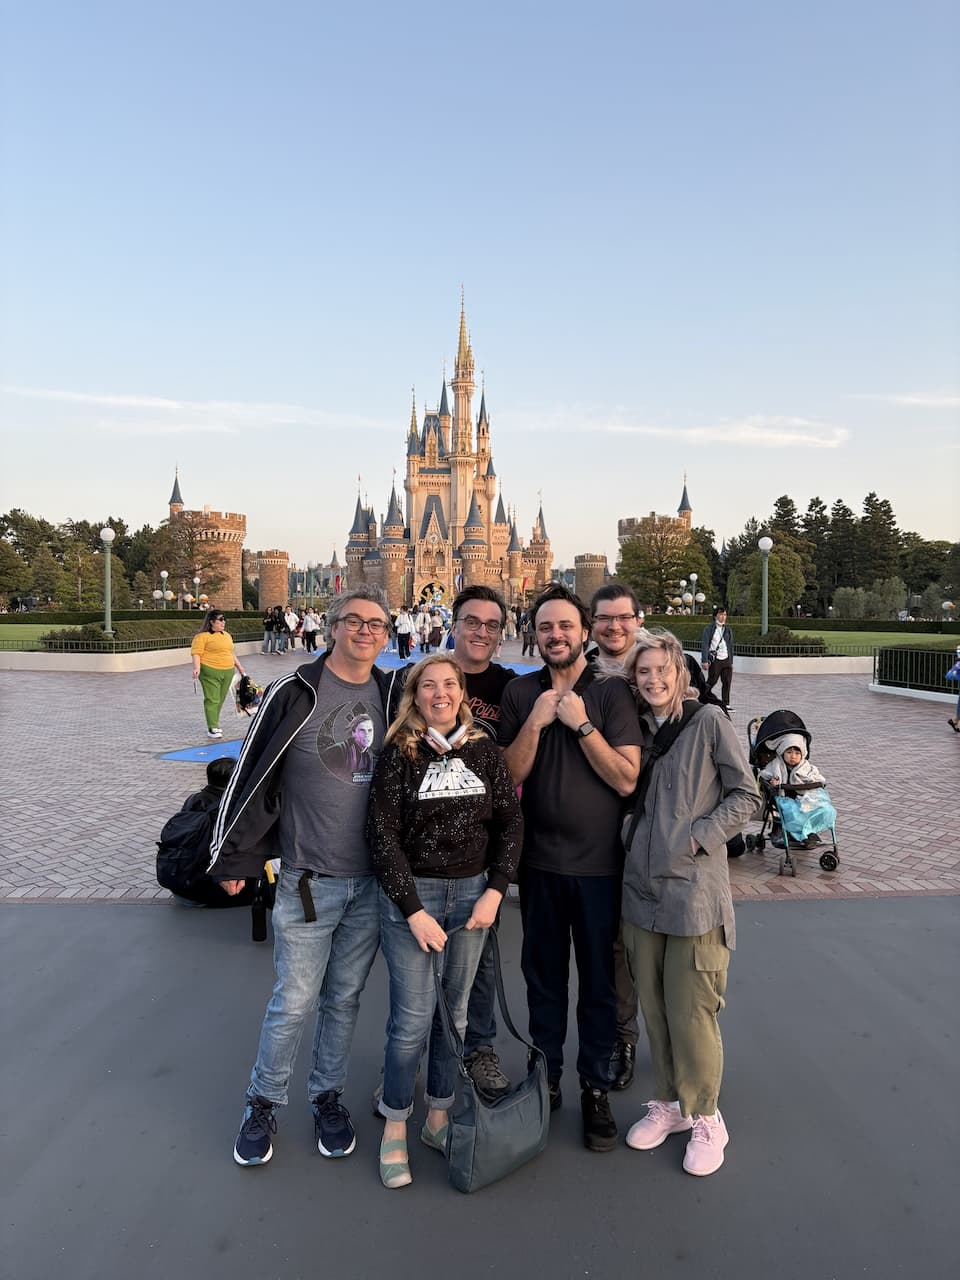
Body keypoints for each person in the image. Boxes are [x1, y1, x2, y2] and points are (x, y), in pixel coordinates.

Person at [209, 585, 403, 1168]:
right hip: (307, 880)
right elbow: (250, 771)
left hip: (370, 882)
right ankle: (262, 1102)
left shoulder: (393, 693)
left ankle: (326, 1097)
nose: (364, 631)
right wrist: (234, 857)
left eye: (375, 623)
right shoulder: (294, 692)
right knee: (293, 1001)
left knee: (344, 1000)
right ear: (332, 626)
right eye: (353, 621)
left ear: (387, 634)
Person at [367, 654, 522, 1188]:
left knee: (451, 1018)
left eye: (449, 685)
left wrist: (495, 892)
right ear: (415, 695)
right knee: (410, 1023)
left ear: (461, 693)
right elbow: (382, 838)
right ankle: (393, 1126)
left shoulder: (484, 753)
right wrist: (411, 910)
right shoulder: (399, 755)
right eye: (428, 685)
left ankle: (436, 1116)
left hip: (473, 896)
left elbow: (509, 823)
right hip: (417, 899)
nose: (440, 694)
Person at [499, 584, 641, 1152]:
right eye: (544, 627)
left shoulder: (610, 694)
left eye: (564, 626)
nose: (554, 635)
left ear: (584, 631)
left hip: (600, 867)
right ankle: (546, 1074)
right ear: (533, 635)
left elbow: (626, 778)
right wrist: (535, 721)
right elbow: (510, 773)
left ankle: (595, 1087)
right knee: (544, 978)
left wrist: (581, 724)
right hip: (539, 866)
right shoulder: (518, 693)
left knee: (600, 986)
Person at [613, 629, 757, 1177]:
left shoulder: (708, 723)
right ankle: (672, 1103)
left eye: (660, 671)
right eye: (642, 672)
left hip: (693, 894)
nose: (651, 680)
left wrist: (698, 837)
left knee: (691, 1009)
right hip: (641, 891)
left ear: (680, 673)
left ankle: (707, 1116)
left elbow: (746, 793)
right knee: (653, 1002)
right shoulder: (635, 731)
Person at [449, 585, 518, 1099]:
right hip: (423, 850)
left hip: (481, 847)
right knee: (418, 966)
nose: (481, 632)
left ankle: (480, 1049)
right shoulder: (422, 679)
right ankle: (417, 1058)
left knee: (482, 958)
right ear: (454, 624)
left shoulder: (510, 688)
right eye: (472, 622)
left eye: (492, 625)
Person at [588, 583, 644, 1091]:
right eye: (604, 618)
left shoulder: (664, 668)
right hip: (602, 828)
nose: (614, 627)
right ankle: (614, 1036)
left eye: (623, 618)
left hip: (653, 826)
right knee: (608, 945)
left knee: (644, 944)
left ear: (638, 619)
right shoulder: (585, 673)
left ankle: (633, 1036)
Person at [759, 732, 835, 849]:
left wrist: (813, 781)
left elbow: (818, 778)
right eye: (789, 752)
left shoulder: (806, 767)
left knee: (825, 809)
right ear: (782, 752)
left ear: (802, 754)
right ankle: (804, 836)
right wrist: (772, 782)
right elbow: (764, 775)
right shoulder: (776, 765)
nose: (793, 756)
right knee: (794, 813)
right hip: (786, 799)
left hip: (805, 798)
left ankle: (808, 833)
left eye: (797, 753)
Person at [191, 609, 246, 738]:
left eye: (224, 619)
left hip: (227, 671)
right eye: (220, 620)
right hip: (210, 671)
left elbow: (231, 653)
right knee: (212, 699)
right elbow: (196, 653)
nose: (223, 622)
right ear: (211, 622)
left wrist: (240, 667)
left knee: (220, 700)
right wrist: (197, 668)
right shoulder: (202, 636)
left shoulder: (226, 635)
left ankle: (214, 722)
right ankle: (212, 727)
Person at [700, 606, 734, 711]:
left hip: (726, 659)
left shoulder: (727, 629)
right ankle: (702, 698)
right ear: (715, 616)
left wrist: (731, 660)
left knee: (727, 682)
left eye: (724, 615)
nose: (723, 617)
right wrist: (705, 660)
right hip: (715, 659)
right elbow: (705, 645)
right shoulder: (709, 629)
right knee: (711, 681)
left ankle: (726, 703)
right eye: (720, 614)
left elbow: (731, 645)